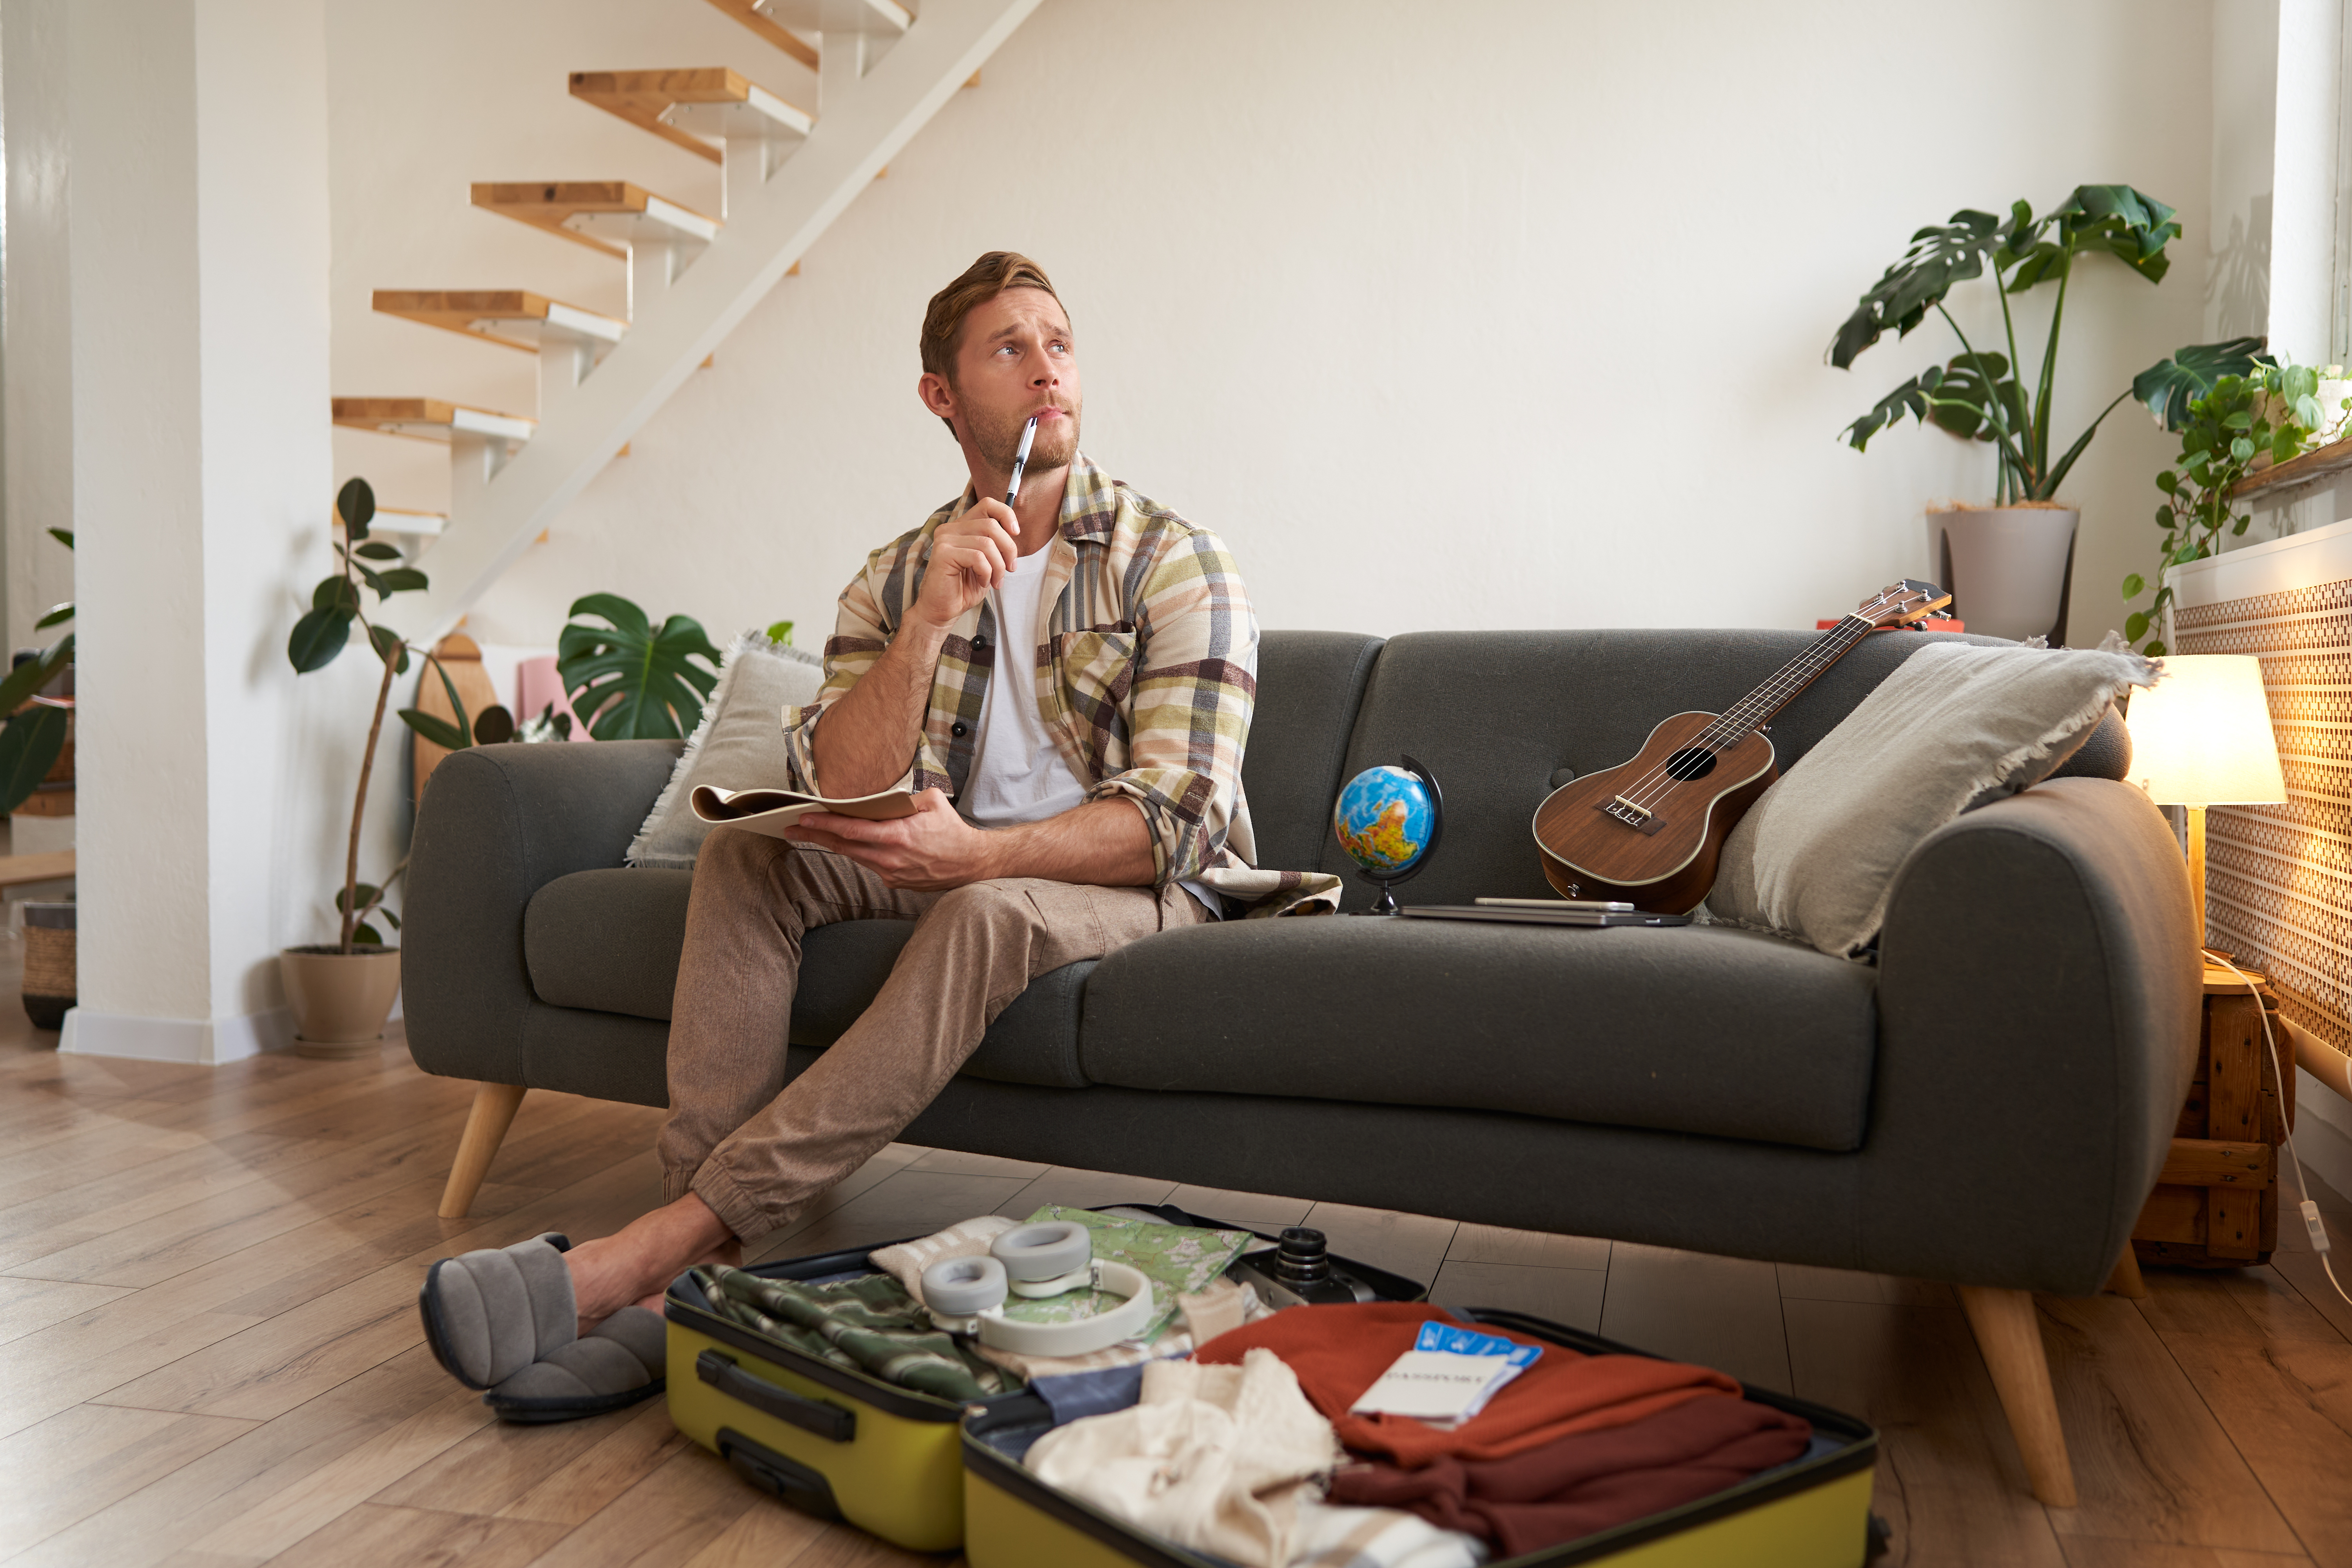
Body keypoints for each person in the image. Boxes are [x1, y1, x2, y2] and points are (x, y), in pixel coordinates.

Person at [553, 252, 1339, 1325]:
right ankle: (707, 1260)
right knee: (748, 857)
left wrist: (980, 853)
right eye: (1010, 349)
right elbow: (845, 784)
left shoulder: (1175, 559)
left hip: (1141, 880)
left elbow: (1180, 820)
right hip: (956, 854)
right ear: (942, 395)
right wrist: (926, 625)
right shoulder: (894, 577)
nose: (1046, 370)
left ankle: (677, 1243)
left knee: (984, 906)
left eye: (1058, 344)